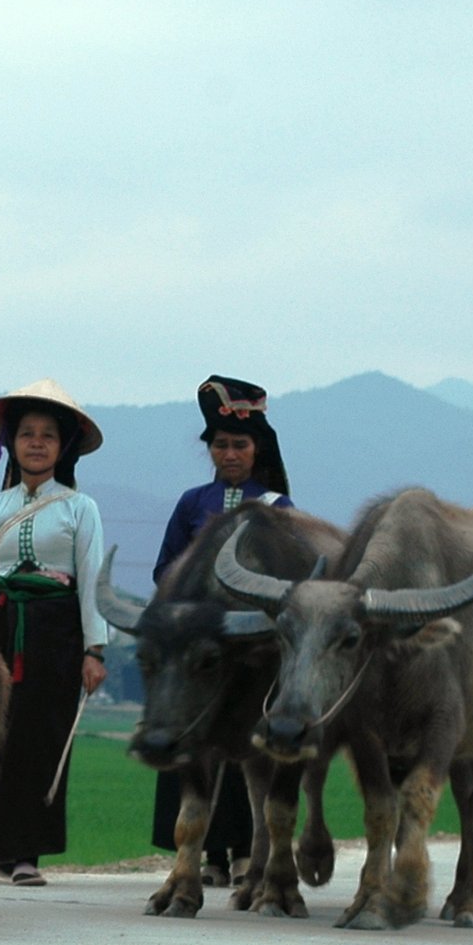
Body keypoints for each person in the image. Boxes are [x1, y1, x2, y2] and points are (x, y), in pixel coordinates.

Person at [148, 375, 296, 885]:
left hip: (250, 650)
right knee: (192, 739)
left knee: (245, 746)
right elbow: (164, 568)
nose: (229, 453)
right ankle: (205, 855)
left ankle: (243, 851)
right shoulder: (191, 503)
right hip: (196, 648)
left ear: (258, 449)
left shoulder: (277, 507)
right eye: (220, 445)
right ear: (209, 449)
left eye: (239, 444)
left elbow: (290, 575)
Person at [0, 379, 109, 885]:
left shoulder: (79, 508)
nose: (35, 443)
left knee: (41, 738)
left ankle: (27, 852)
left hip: (55, 634)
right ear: (12, 442)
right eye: (27, 433)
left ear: (62, 446)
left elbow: (91, 578)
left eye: (47, 435)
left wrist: (94, 649)